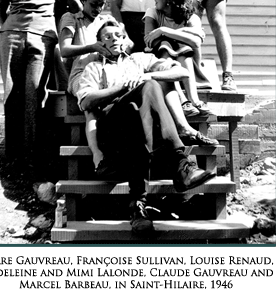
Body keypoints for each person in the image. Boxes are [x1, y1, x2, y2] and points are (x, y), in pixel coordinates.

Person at [76, 20, 219, 234]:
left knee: (147, 93)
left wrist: (147, 76)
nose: (114, 39)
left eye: (118, 35)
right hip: (112, 129)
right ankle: (180, 165)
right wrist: (121, 88)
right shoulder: (94, 67)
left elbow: (181, 72)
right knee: (142, 100)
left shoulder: (139, 60)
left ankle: (138, 207)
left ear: (125, 40)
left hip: (138, 127)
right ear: (99, 44)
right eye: (107, 36)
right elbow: (87, 102)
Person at [0, 0, 80, 177]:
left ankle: (31, 158)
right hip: (13, 37)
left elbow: (72, 3)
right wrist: (11, 30)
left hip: (43, 37)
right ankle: (13, 157)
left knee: (35, 94)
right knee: (12, 94)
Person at [59, 0, 133, 168]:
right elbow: (64, 50)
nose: (97, 9)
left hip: (107, 70)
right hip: (82, 72)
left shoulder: (106, 21)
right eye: (93, 4)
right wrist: (92, 47)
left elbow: (129, 45)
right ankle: (97, 154)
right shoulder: (72, 18)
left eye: (101, 5)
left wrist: (120, 38)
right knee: (91, 104)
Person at [144, 0, 211, 116]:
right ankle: (183, 101)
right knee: (165, 44)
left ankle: (193, 100)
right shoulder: (153, 13)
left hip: (189, 71)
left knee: (182, 48)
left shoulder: (191, 17)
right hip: (163, 69)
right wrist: (181, 34)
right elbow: (150, 40)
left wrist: (164, 31)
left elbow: (196, 42)